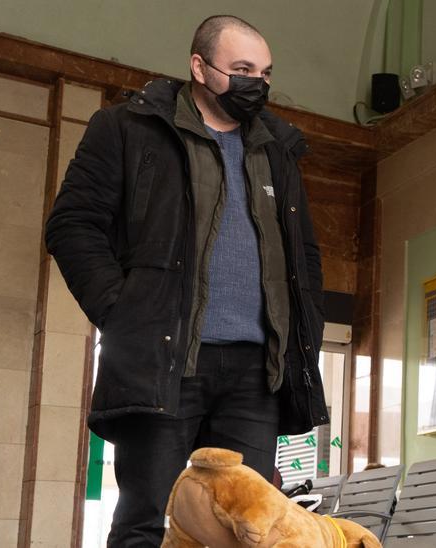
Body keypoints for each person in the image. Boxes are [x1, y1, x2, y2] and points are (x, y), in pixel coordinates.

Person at [44, 15, 327, 546]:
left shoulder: (278, 149)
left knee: (244, 530)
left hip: (255, 373)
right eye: (241, 69)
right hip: (166, 361)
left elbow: (303, 255)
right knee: (145, 522)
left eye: (264, 74)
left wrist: (303, 332)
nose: (256, 84)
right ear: (199, 67)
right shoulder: (126, 128)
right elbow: (72, 224)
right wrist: (123, 310)